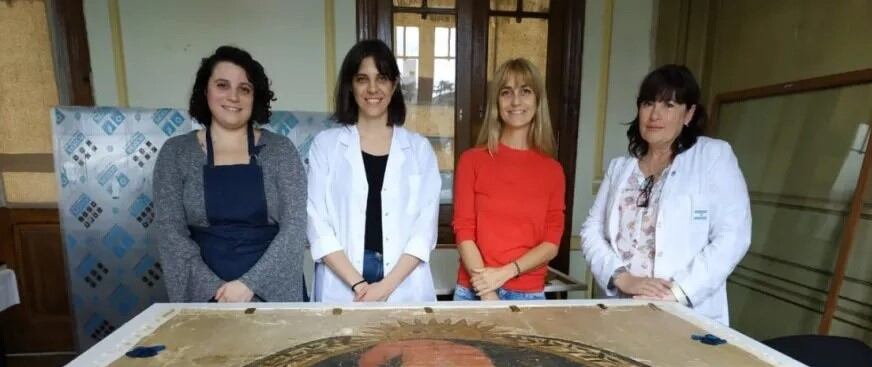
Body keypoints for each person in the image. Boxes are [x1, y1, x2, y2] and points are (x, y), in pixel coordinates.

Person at [580, 64, 750, 325]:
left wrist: (677, 292)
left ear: (689, 113)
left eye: (669, 105)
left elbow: (733, 236)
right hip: (622, 308)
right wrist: (621, 277)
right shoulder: (620, 168)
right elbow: (591, 230)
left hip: (686, 312)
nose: (654, 114)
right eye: (648, 103)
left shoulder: (713, 157)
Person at [153, 45, 305, 303]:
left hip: (270, 295)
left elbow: (295, 228)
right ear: (205, 91)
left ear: (255, 97)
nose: (233, 97)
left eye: (244, 89)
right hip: (206, 295)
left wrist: (250, 285)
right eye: (222, 85)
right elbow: (170, 234)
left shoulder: (280, 150)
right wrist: (215, 289)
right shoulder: (176, 153)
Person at [306, 39, 441, 303]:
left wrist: (385, 287)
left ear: (394, 85)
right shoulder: (326, 145)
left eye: (382, 78)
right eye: (362, 79)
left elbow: (424, 230)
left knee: (405, 346)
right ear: (351, 85)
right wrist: (359, 285)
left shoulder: (419, 149)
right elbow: (317, 223)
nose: (372, 88)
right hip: (343, 283)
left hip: (402, 284)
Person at [452, 58, 565, 302]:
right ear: (497, 103)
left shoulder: (552, 171)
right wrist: (488, 292)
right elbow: (464, 232)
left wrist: (504, 273)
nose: (516, 101)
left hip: (527, 295)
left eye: (525, 91)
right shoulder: (472, 161)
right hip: (475, 289)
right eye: (506, 92)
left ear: (537, 101)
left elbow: (551, 243)